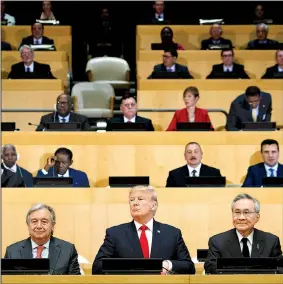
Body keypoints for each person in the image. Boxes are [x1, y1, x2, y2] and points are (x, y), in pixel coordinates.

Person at [92, 185, 195, 275]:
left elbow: (189, 267)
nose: (134, 203)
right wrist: (128, 267)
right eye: (131, 200)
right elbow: (97, 267)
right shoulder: (115, 234)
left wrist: (167, 265)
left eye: (140, 199)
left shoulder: (172, 233)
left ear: (153, 205)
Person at [204, 193, 282, 274]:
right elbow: (210, 268)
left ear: (257, 217)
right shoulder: (217, 242)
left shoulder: (271, 241)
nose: (241, 218)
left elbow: (280, 268)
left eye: (246, 212)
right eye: (237, 212)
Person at [4, 203, 81, 275]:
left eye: (44, 222)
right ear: (28, 225)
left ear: (53, 226)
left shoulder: (68, 250)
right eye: (34, 221)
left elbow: (76, 282)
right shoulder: (12, 252)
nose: (39, 226)